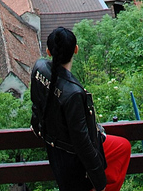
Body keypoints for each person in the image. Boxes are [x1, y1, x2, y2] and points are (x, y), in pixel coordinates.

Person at [30, 27, 131, 191]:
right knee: (122, 148)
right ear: (76, 50)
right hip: (71, 154)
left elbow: (36, 103)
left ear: (48, 51)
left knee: (122, 147)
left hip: (55, 142)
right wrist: (100, 182)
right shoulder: (73, 93)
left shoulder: (39, 68)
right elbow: (82, 142)